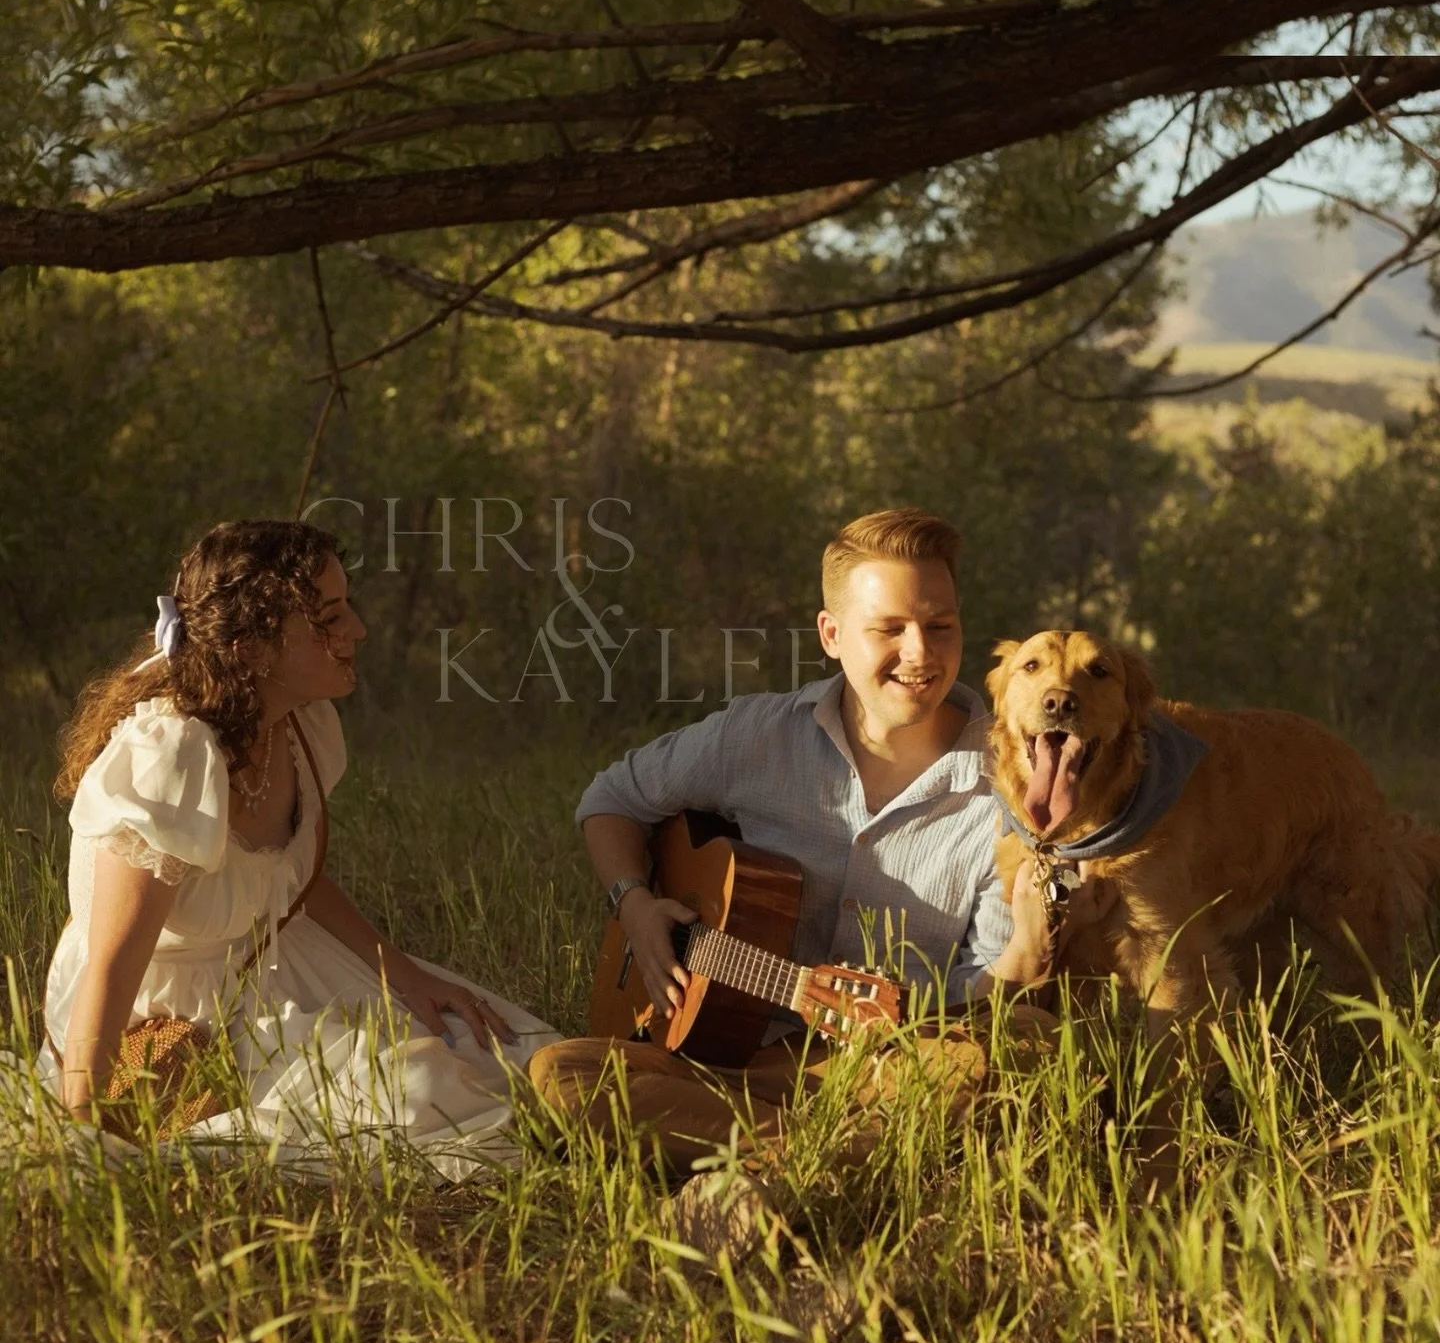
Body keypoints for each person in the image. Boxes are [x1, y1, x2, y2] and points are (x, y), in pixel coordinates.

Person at [530, 509, 1089, 1216]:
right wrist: (635, 905)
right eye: (889, 628)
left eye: (940, 625)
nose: (919, 653)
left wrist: (1009, 968)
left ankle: (764, 1170)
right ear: (831, 635)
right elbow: (610, 799)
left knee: (1016, 1047)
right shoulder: (756, 736)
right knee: (560, 1074)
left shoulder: (1008, 788)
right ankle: (831, 1161)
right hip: (723, 1062)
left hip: (890, 1067)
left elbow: (986, 991)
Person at [40, 519, 557, 1180]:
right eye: (330, 619)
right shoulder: (170, 755)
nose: (358, 632)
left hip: (270, 963)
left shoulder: (299, 723)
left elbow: (286, 878)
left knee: (503, 1051)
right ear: (253, 648)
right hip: (167, 1007)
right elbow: (113, 960)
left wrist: (406, 975)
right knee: (430, 1090)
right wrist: (79, 1131)